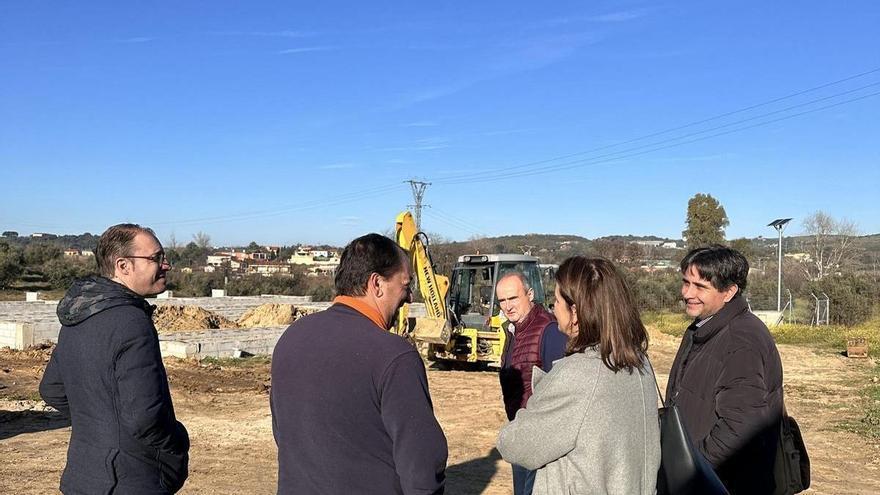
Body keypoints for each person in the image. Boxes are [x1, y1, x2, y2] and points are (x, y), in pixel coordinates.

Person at [271, 233, 448, 494]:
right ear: (376, 284)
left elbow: (284, 434)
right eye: (405, 285)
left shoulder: (291, 338)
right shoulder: (395, 356)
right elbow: (421, 468)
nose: (410, 297)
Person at [39, 223, 189, 494]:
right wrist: (177, 446)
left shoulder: (80, 314)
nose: (165, 265)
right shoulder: (131, 322)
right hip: (129, 480)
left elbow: (52, 390)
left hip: (81, 476)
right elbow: (145, 417)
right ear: (123, 266)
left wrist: (99, 425)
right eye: (156, 258)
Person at [497, 257, 661, 494]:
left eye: (556, 300)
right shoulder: (639, 362)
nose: (553, 308)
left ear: (574, 311)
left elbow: (516, 444)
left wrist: (535, 405)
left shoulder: (578, 373)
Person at [666, 245, 783, 494]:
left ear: (729, 291)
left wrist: (695, 470)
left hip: (722, 484)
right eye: (686, 282)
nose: (687, 293)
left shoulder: (740, 340)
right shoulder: (705, 326)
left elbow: (742, 425)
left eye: (700, 287)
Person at [495, 271, 567, 495]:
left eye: (513, 298)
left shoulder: (549, 330)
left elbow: (560, 389)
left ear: (530, 294)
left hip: (541, 439)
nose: (508, 306)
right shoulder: (513, 331)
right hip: (521, 432)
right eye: (502, 301)